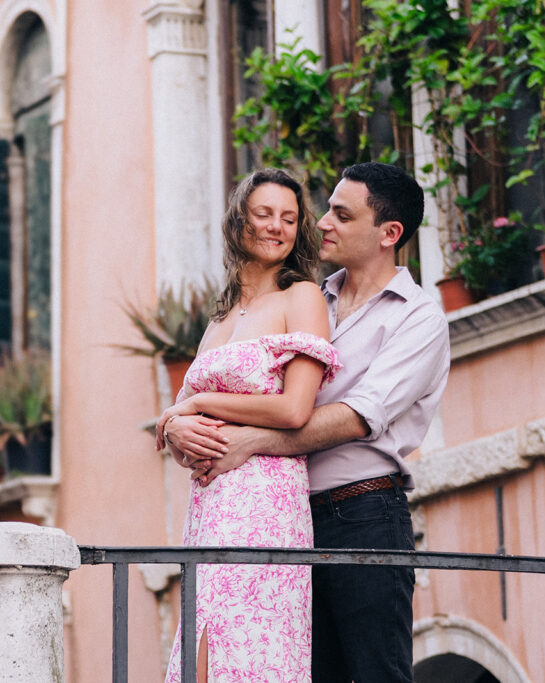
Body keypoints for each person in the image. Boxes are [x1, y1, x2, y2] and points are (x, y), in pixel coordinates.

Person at [165, 162, 451, 682]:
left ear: (389, 234)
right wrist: (176, 424)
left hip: (361, 513)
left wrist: (252, 441)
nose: (322, 224)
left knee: (375, 673)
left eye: (341, 215)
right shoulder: (309, 297)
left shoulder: (418, 318)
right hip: (285, 517)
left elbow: (356, 417)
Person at [158, 167, 342, 683]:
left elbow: (293, 410)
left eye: (288, 218)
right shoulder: (218, 320)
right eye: (263, 214)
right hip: (208, 506)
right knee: (201, 648)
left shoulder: (301, 297)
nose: (276, 226)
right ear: (239, 221)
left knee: (249, 651)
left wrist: (196, 406)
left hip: (266, 501)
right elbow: (183, 419)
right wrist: (176, 431)